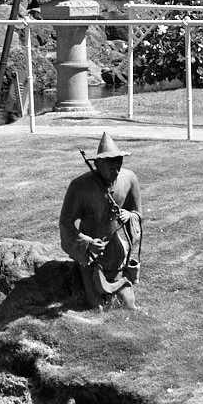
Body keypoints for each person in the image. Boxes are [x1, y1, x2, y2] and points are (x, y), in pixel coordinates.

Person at [59, 131, 142, 310]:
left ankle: (118, 279)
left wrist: (129, 216)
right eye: (110, 165)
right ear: (97, 164)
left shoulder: (129, 179)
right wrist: (87, 243)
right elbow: (66, 222)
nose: (116, 170)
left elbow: (137, 212)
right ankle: (90, 282)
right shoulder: (79, 186)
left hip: (115, 250)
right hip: (90, 255)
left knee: (129, 304)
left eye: (118, 164)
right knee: (97, 307)